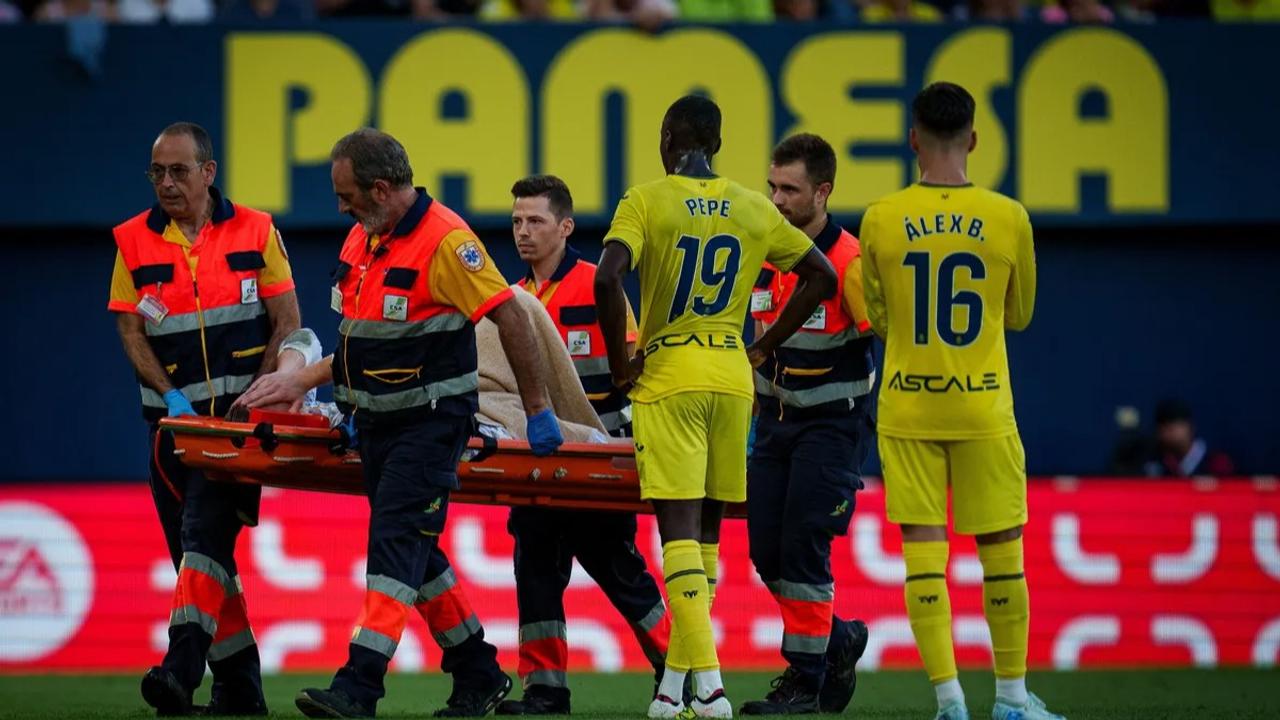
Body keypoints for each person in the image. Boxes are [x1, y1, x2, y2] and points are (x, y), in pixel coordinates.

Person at [235, 128, 564, 719]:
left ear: (382, 189)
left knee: (393, 549)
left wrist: (538, 410)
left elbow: (511, 316)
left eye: (348, 195)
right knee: (418, 551)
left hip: (431, 425)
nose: (341, 207)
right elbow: (364, 341)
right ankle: (477, 669)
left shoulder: (446, 243)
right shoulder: (366, 238)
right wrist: (330, 392)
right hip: (380, 425)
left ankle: (360, 685)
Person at [594, 95, 837, 719]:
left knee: (676, 533)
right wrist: (762, 346)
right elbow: (822, 276)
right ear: (719, 145)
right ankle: (675, 689)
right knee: (705, 541)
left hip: (672, 372)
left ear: (668, 137)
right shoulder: (754, 207)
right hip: (733, 376)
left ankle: (713, 688)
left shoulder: (646, 199)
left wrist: (624, 367)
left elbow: (606, 276)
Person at [860, 82, 1062, 720]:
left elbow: (882, 320)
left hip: (908, 406)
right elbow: (1021, 315)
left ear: (912, 138)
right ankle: (1010, 699)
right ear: (974, 139)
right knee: (1002, 550)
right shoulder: (1008, 215)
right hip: (982, 406)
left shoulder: (881, 216)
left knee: (925, 551)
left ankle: (950, 702)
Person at [108, 121, 301, 716]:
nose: (166, 183)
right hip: (172, 428)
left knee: (202, 541)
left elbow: (287, 322)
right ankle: (241, 688)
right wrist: (170, 397)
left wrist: (256, 397)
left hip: (236, 433)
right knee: (202, 561)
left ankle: (179, 670)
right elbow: (130, 331)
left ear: (208, 173)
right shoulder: (132, 241)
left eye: (178, 171)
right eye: (157, 172)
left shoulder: (257, 230)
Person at [494, 174, 671, 715]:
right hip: (538, 463)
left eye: (536, 222)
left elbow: (634, 375)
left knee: (622, 574)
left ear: (566, 227)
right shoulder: (512, 301)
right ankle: (545, 691)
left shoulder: (600, 287)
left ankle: (680, 670)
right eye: (518, 222)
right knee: (536, 573)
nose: (523, 233)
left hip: (599, 463)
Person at [741, 133, 873, 715]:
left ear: (823, 191)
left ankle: (804, 676)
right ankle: (838, 639)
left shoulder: (851, 263)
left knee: (802, 548)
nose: (776, 200)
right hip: (771, 426)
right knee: (765, 552)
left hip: (831, 430)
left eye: (789, 190)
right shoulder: (762, 254)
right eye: (772, 186)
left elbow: (880, 343)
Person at [1144, 399, 1236, 477]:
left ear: (1191, 427)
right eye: (1165, 428)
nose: (1170, 433)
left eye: (1177, 426)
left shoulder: (1215, 462)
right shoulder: (1155, 461)